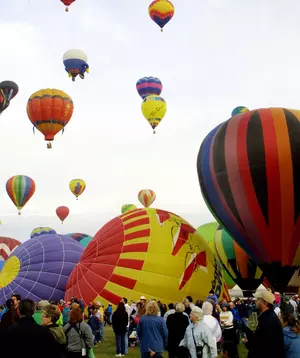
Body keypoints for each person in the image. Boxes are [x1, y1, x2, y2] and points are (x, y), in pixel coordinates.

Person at [245, 291, 284, 358]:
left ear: (265, 303)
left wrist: (248, 343)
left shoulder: (268, 320)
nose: (255, 301)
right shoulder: (268, 317)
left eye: (258, 299)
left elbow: (263, 347)